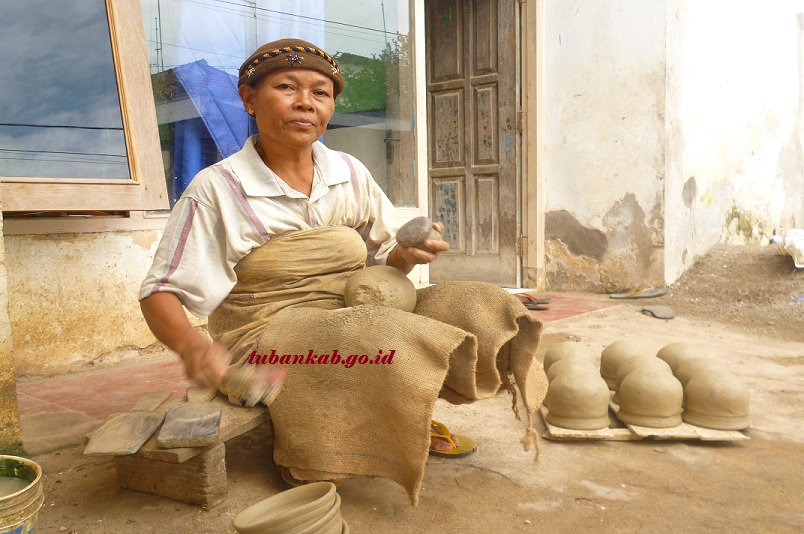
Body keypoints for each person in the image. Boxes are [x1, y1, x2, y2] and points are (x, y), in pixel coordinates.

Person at [140, 38, 546, 505]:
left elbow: (387, 258)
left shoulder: (347, 171)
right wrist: (195, 349)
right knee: (379, 331)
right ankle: (318, 451)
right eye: (286, 87)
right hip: (266, 331)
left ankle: (401, 418)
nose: (304, 103)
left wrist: (408, 255)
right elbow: (160, 292)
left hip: (354, 304)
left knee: (475, 303)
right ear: (249, 99)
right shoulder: (218, 189)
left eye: (320, 92)